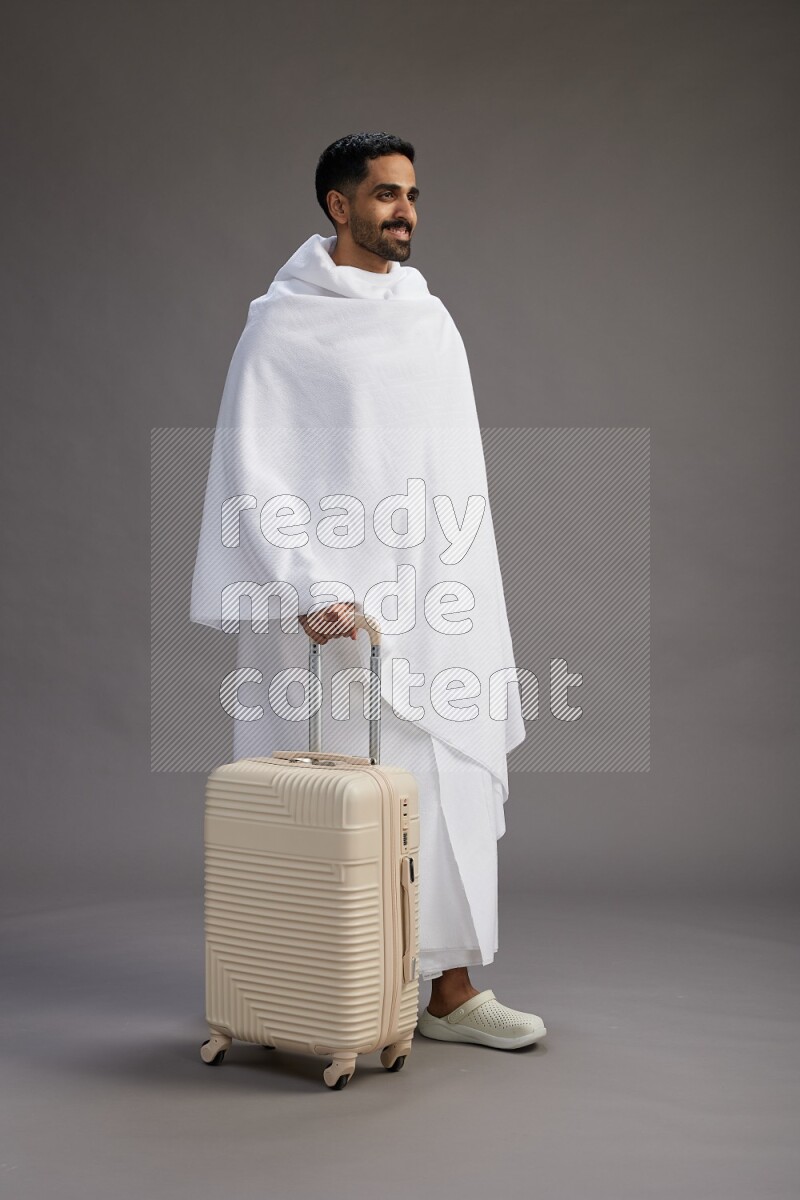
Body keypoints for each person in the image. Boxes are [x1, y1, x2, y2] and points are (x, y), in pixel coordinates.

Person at [190, 132, 546, 1050]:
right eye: (386, 194)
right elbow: (254, 462)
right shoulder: (282, 324)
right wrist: (311, 583)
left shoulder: (428, 318)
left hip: (436, 595)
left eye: (413, 194)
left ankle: (452, 991)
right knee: (337, 793)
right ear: (338, 206)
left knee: (441, 780)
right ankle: (314, 986)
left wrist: (458, 589)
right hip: (332, 609)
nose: (406, 212)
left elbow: (451, 470)